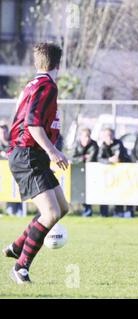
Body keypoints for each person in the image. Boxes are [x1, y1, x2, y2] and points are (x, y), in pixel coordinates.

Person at [2, 43, 69, 284]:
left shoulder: (31, 85)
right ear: (58, 65)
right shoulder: (47, 86)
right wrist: (54, 152)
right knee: (50, 213)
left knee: (62, 208)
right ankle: (21, 268)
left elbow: (18, 119)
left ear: (37, 63)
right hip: (28, 153)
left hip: (31, 153)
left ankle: (18, 246)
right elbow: (32, 124)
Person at [98, 127, 133, 217]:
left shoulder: (118, 143)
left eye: (110, 135)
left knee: (120, 192)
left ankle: (119, 212)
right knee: (104, 193)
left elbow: (119, 156)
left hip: (121, 174)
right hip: (107, 176)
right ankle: (104, 214)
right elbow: (99, 158)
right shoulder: (102, 145)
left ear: (113, 135)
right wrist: (109, 160)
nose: (108, 137)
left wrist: (115, 159)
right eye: (106, 135)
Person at [71, 128, 99, 217]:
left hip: (91, 173)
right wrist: (82, 158)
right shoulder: (76, 145)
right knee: (80, 192)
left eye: (88, 136)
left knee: (90, 192)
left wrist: (81, 160)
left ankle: (89, 211)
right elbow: (72, 159)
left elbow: (91, 159)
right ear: (81, 137)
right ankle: (85, 210)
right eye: (85, 136)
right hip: (78, 173)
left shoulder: (94, 145)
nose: (87, 138)